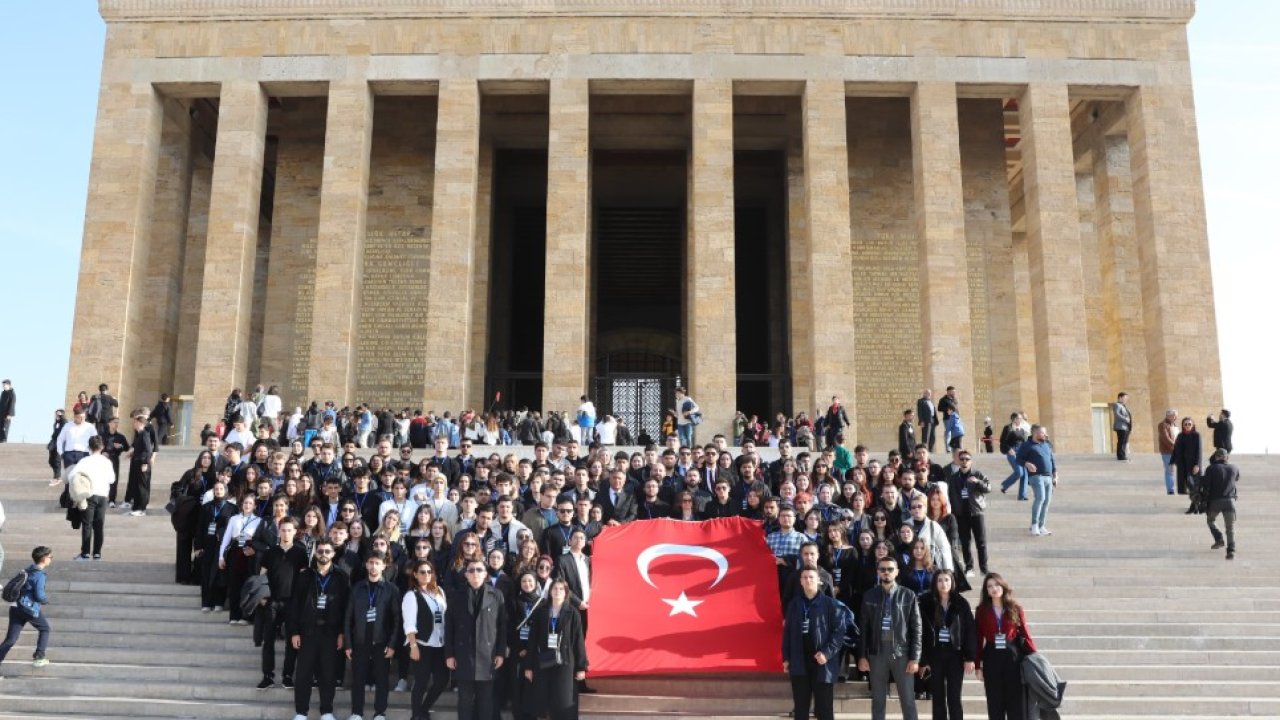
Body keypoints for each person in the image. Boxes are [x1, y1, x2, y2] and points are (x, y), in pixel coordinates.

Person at [289, 538, 350, 720]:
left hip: (331, 633)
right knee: (303, 675)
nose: (323, 554)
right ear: (316, 553)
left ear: (333, 554)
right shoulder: (304, 576)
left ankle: (327, 711)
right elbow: (294, 605)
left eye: (327, 551)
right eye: (320, 551)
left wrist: (342, 633)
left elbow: (346, 607)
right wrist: (293, 632)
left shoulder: (341, 577)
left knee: (328, 674)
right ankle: (301, 712)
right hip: (307, 632)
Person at [857, 558, 921, 720]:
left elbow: (917, 629)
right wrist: (862, 656)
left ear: (897, 572)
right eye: (883, 569)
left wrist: (915, 657)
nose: (886, 572)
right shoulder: (869, 596)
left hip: (902, 652)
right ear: (878, 572)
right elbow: (863, 629)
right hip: (877, 652)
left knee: (907, 700)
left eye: (890, 569)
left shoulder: (908, 595)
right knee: (878, 700)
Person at [446, 558, 509, 720]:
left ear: (486, 574)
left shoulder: (496, 595)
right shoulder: (456, 596)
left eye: (479, 570)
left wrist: (501, 652)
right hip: (463, 654)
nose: (475, 573)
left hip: (488, 656)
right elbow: (449, 627)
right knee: (465, 701)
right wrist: (449, 654)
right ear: (466, 574)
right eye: (472, 570)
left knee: (486, 701)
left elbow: (502, 626)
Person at [345, 551, 402, 720]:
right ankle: (356, 713)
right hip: (360, 641)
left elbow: (397, 619)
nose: (374, 566)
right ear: (366, 565)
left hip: (382, 642)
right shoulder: (357, 588)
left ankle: (380, 713)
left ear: (384, 566)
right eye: (371, 562)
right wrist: (348, 643)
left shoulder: (391, 589)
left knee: (382, 680)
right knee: (358, 680)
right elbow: (348, 618)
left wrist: (392, 645)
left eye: (377, 563)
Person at [522, 579, 589, 720]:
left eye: (561, 589)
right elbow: (532, 641)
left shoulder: (573, 613)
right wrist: (529, 666)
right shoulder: (541, 612)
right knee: (543, 699)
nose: (557, 591)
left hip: (565, 661)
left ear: (566, 593)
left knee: (563, 700)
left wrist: (581, 667)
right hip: (543, 661)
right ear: (550, 591)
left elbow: (578, 640)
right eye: (555, 588)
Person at [975, 573, 1036, 720]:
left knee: (1016, 704)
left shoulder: (1015, 608)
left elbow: (1026, 634)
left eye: (996, 584)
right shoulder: (981, 610)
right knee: (994, 703)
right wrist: (978, 665)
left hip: (1013, 657)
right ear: (986, 591)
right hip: (991, 657)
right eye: (989, 586)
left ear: (1003, 586)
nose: (994, 588)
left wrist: (1035, 657)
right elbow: (978, 638)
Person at [258, 517, 308, 690]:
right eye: (283, 529)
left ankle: (287, 675)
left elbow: (303, 579)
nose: (286, 533)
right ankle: (267, 676)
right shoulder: (270, 552)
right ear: (279, 531)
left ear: (295, 532)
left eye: (289, 530)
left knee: (291, 641)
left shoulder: (301, 553)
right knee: (268, 639)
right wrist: (263, 596)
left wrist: (300, 601)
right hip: (272, 602)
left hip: (292, 603)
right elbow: (262, 575)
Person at [919, 570, 975, 720]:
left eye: (947, 580)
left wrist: (970, 657)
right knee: (937, 697)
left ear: (952, 582)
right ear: (935, 583)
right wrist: (923, 659)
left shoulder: (961, 603)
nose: (943, 584)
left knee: (954, 697)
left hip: (955, 655)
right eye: (940, 580)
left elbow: (969, 630)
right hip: (935, 654)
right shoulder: (926, 602)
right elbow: (921, 633)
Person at [403, 558, 450, 720]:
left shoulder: (439, 592)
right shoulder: (411, 595)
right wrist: (413, 645)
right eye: (422, 572)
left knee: (443, 679)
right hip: (422, 644)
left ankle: (423, 709)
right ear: (415, 574)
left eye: (429, 572)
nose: (426, 575)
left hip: (440, 644)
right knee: (421, 681)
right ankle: (416, 715)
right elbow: (409, 623)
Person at [0, 546, 53, 672]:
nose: (51, 560)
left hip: (15, 607)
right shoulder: (39, 575)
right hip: (28, 608)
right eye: (50, 557)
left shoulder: (27, 570)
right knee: (45, 628)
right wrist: (45, 600)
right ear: (44, 558)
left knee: (11, 639)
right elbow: (39, 595)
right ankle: (39, 656)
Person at [72, 436, 116, 560]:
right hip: (103, 495)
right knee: (99, 525)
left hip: (89, 494)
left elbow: (72, 475)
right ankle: (97, 553)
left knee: (87, 524)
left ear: (89, 447)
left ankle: (85, 553)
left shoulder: (85, 461)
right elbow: (112, 480)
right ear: (102, 447)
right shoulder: (107, 462)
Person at [1014, 425, 1057, 537]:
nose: (1045, 435)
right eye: (1043, 433)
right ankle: (1034, 525)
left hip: (1048, 477)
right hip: (1036, 476)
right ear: (1036, 433)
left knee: (1047, 501)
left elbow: (1051, 459)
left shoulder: (1046, 444)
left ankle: (1041, 526)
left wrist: (1055, 474)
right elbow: (1018, 459)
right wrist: (1027, 464)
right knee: (1040, 498)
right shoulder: (1027, 445)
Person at [1202, 449, 1238, 560]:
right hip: (1230, 502)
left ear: (1216, 457)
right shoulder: (1234, 468)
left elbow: (1206, 485)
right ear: (1226, 457)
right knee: (1230, 527)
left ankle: (1219, 539)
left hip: (1215, 501)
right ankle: (1231, 551)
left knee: (1211, 520)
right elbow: (1236, 479)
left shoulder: (1211, 468)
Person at [123, 412, 155, 516]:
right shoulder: (139, 434)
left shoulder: (145, 434)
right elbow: (139, 448)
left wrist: (145, 463)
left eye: (135, 422)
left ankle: (141, 509)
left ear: (140, 423)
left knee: (142, 487)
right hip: (137, 462)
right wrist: (131, 454)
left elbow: (148, 450)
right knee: (137, 486)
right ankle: (135, 508)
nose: (133, 424)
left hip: (143, 464)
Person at [55, 406, 96, 486]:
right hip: (69, 455)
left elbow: (96, 441)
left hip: (84, 454)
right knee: (69, 479)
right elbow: (60, 440)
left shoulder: (90, 427)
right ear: (75, 417)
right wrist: (61, 453)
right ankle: (68, 497)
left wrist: (91, 454)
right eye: (80, 417)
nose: (82, 419)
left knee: (83, 478)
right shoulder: (67, 426)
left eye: (84, 417)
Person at [1172, 417, 1202, 511]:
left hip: (1193, 465)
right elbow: (1175, 450)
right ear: (1183, 425)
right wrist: (1172, 462)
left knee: (1193, 486)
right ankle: (1194, 506)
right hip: (1182, 465)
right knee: (1188, 486)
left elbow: (1199, 451)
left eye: (1189, 424)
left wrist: (1197, 464)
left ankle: (1195, 506)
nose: (1187, 426)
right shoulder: (1180, 436)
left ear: (1192, 425)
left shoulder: (1196, 435)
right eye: (1185, 424)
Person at [1157, 409, 1178, 495]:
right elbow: (1165, 438)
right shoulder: (1162, 425)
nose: (1176, 417)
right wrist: (1176, 445)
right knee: (1169, 470)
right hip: (1167, 452)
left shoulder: (1174, 425)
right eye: (1174, 416)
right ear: (1169, 416)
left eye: (1176, 415)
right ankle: (1170, 489)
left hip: (1176, 450)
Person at [1111, 392, 1132, 462]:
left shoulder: (1124, 406)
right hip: (1121, 427)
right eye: (1125, 398)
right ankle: (1120, 455)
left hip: (1126, 427)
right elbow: (1117, 414)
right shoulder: (1117, 405)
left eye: (1126, 398)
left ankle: (1123, 454)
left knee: (1124, 441)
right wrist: (1126, 419)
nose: (1126, 400)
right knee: (1121, 441)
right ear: (1120, 398)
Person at [0, 379, 14, 443]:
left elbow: (12, 404)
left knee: (5, 427)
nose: (3, 386)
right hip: (1, 413)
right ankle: (1, 439)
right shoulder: (3, 393)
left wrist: (9, 414)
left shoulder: (12, 394)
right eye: (3, 385)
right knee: (1, 426)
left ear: (9, 385)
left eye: (5, 385)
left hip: (7, 414)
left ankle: (4, 440)